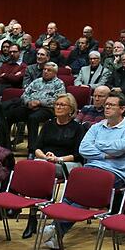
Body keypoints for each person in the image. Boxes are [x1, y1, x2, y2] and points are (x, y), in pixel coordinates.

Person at [40, 91, 125, 250]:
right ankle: (56, 232)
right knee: (73, 188)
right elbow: (84, 149)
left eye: (111, 105)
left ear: (122, 109)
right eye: (106, 105)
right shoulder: (97, 126)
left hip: (114, 173)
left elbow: (120, 148)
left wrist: (97, 145)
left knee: (85, 193)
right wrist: (106, 154)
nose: (107, 107)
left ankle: (56, 228)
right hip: (90, 169)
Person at [24, 93, 85, 239]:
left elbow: (79, 154)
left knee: (42, 170)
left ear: (71, 109)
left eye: (62, 105)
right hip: (46, 161)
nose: (58, 107)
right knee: (36, 168)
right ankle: (33, 216)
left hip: (69, 163)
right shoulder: (48, 124)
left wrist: (58, 159)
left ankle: (37, 213)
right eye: (56, 104)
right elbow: (37, 148)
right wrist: (45, 157)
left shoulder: (78, 128)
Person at [4, 62, 66, 154]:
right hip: (30, 106)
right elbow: (24, 95)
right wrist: (28, 102)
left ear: (55, 73)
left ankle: (32, 150)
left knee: (33, 118)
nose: (45, 71)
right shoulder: (36, 81)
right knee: (9, 115)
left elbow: (57, 100)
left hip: (47, 109)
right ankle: (5, 145)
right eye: (44, 69)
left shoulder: (59, 84)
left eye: (49, 70)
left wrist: (40, 102)